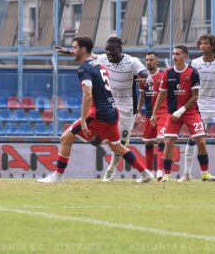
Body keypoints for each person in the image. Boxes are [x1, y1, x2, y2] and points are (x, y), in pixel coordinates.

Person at [38, 36, 155, 184]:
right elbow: (89, 57)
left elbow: (87, 95)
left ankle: (58, 176)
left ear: (83, 50)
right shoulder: (100, 64)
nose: (73, 51)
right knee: (117, 146)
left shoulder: (84, 69)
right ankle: (145, 174)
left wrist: (84, 119)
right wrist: (69, 52)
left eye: (74, 48)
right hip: (112, 110)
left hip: (100, 113)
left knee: (65, 137)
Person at [150, 45, 215, 182]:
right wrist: (154, 114)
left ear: (185, 56)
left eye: (178, 54)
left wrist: (181, 110)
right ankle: (167, 175)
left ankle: (205, 173)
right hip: (172, 113)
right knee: (169, 141)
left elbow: (195, 96)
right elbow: (161, 95)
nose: (174, 56)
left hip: (190, 112)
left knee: (201, 141)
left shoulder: (193, 73)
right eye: (173, 53)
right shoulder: (168, 73)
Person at [96, 37, 152, 182]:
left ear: (120, 50)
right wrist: (70, 52)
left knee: (121, 143)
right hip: (109, 104)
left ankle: (111, 170)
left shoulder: (132, 61)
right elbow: (88, 57)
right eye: (107, 49)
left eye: (112, 50)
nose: (109, 52)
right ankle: (111, 169)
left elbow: (143, 72)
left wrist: (147, 77)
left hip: (127, 108)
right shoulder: (102, 59)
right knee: (99, 139)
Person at [180, 34, 215, 182]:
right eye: (201, 44)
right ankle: (186, 174)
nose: (202, 46)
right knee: (193, 138)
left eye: (205, 44)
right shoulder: (195, 63)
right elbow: (189, 85)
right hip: (200, 106)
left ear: (212, 46)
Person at [137, 52, 166, 180]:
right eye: (147, 60)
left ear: (157, 61)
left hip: (162, 113)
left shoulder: (163, 75)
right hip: (149, 114)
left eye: (151, 60)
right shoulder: (143, 78)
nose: (148, 62)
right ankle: (149, 172)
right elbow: (142, 96)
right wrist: (138, 111)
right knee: (148, 143)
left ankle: (160, 172)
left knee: (161, 139)